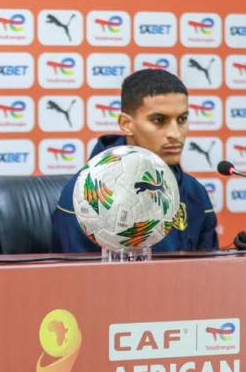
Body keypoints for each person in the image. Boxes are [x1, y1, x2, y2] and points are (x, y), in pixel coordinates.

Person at [51, 69, 218, 253]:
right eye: (159, 120)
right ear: (126, 124)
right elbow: (76, 271)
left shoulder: (196, 194)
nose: (175, 134)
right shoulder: (85, 197)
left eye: (182, 119)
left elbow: (208, 269)